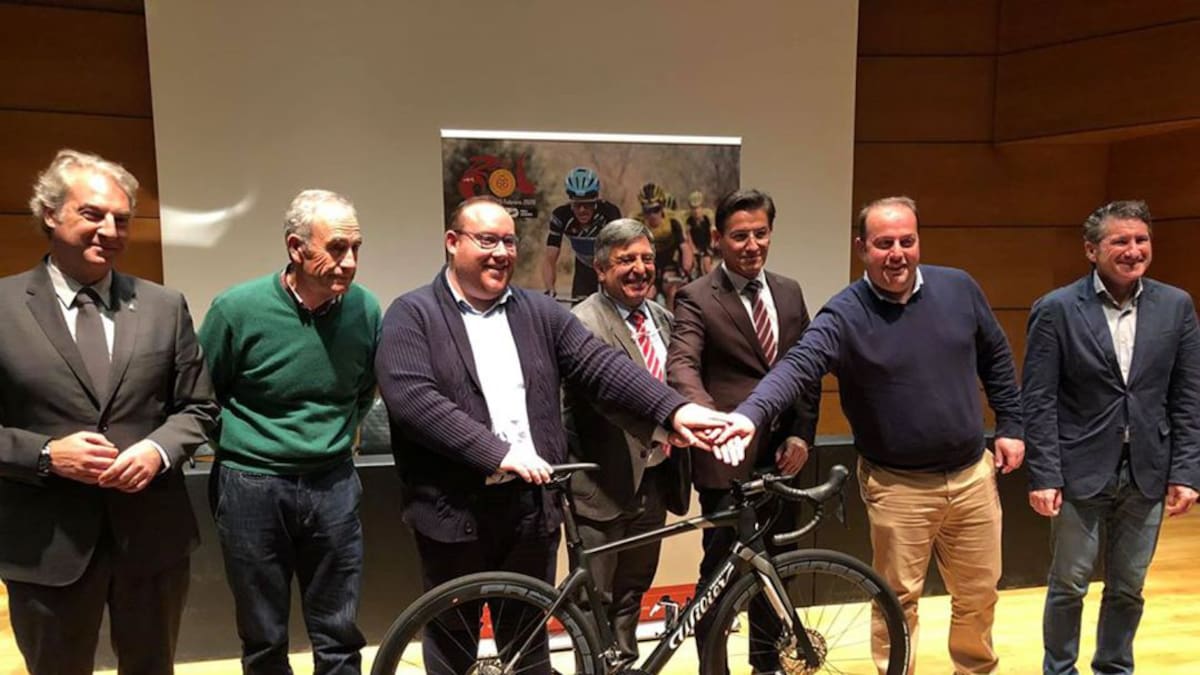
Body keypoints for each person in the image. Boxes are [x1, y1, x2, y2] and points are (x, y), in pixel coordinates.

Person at [375, 197, 730, 674]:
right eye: (487, 240)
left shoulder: (537, 312)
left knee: (527, 648)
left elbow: (602, 367)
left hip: (529, 509)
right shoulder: (412, 314)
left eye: (508, 241)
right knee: (453, 645)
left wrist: (674, 409)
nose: (501, 252)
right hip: (454, 510)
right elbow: (414, 402)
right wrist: (496, 453)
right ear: (452, 242)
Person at [716, 196, 1026, 674]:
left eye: (907, 241)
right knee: (895, 600)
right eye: (884, 244)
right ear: (862, 247)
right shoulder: (844, 314)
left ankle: (975, 669)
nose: (897, 253)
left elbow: (997, 357)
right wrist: (751, 414)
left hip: (972, 477)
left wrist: (1011, 425)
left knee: (979, 595)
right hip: (898, 486)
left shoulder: (959, 288)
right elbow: (797, 367)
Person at [0, 149, 218, 674]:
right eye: (92, 214)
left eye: (122, 219)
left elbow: (199, 407)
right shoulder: (2, 307)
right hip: (46, 544)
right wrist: (46, 454)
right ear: (50, 214)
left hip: (152, 539)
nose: (110, 231)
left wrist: (158, 450)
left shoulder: (165, 306)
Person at [198, 190, 380, 674]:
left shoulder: (365, 310)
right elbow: (201, 394)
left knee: (339, 631)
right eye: (336, 248)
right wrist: (248, 445)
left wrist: (330, 438)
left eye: (356, 248)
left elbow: (364, 391)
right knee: (263, 634)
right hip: (251, 485)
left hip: (334, 482)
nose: (349, 262)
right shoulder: (236, 309)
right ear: (296, 248)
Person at [1022, 200, 1200, 675]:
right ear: (1091, 250)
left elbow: (1187, 395)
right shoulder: (1056, 309)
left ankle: (1114, 668)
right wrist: (1044, 474)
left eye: (1141, 240)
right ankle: (1060, 670)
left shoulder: (1176, 306)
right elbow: (1038, 399)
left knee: (1128, 588)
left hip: (1147, 469)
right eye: (1120, 241)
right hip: (1080, 468)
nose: (1133, 250)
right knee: (1069, 585)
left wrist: (1186, 471)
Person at [666, 188, 820, 673]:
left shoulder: (789, 292)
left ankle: (765, 665)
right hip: (726, 462)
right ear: (718, 239)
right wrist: (710, 422)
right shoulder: (696, 297)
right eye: (739, 236)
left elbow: (807, 368)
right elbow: (682, 366)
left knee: (777, 571)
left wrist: (801, 434)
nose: (752, 245)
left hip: (783, 461)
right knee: (721, 576)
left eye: (760, 233)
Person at [563, 218, 692, 666]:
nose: (640, 269)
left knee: (633, 589)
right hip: (601, 486)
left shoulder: (663, 318)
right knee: (593, 598)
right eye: (626, 260)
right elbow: (601, 398)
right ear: (601, 269)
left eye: (646, 258)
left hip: (654, 478)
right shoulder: (582, 322)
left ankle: (624, 663)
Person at [541, 166, 622, 299]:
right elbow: (550, 259)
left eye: (588, 204)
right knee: (581, 308)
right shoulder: (562, 216)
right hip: (583, 266)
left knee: (612, 303)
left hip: (608, 264)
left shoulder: (609, 213)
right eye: (577, 204)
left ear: (595, 201)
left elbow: (621, 252)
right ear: (570, 202)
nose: (582, 210)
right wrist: (550, 289)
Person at [638, 182, 694, 310]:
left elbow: (685, 248)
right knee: (646, 295)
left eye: (656, 209)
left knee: (673, 291)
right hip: (649, 265)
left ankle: (672, 319)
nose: (652, 215)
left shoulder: (673, 222)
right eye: (647, 211)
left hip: (669, 263)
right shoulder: (638, 224)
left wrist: (686, 270)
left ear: (662, 207)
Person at [686, 190, 716, 277]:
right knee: (694, 267)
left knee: (707, 266)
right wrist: (693, 250)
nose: (696, 211)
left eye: (698, 208)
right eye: (693, 208)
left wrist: (710, 247)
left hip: (707, 246)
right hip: (696, 248)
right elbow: (689, 237)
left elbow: (712, 234)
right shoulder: (689, 221)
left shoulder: (707, 219)